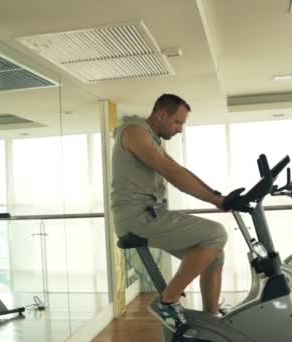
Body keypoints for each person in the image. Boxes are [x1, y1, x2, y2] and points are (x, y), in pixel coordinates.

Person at [111, 94, 228, 335]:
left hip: (150, 215)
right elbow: (171, 173)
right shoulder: (134, 131)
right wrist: (216, 201)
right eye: (177, 122)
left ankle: (210, 318)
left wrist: (217, 194)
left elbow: (179, 169)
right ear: (161, 114)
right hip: (137, 217)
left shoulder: (152, 138)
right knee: (216, 234)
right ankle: (168, 302)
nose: (180, 130)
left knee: (214, 254)